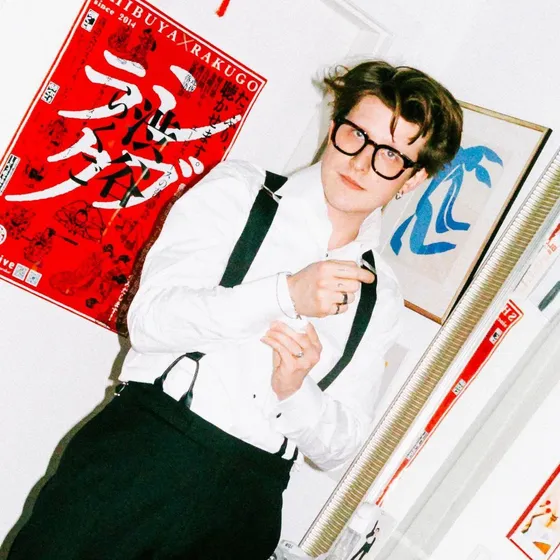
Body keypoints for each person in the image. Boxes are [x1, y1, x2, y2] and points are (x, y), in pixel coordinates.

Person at [7, 60, 462, 559]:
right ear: (334, 127)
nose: (361, 163)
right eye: (356, 134)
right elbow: (149, 321)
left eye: (390, 155)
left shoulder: (381, 295)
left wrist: (296, 392)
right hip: (140, 459)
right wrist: (283, 295)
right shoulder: (241, 192)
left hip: (247, 506)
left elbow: (341, 449)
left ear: (412, 179)